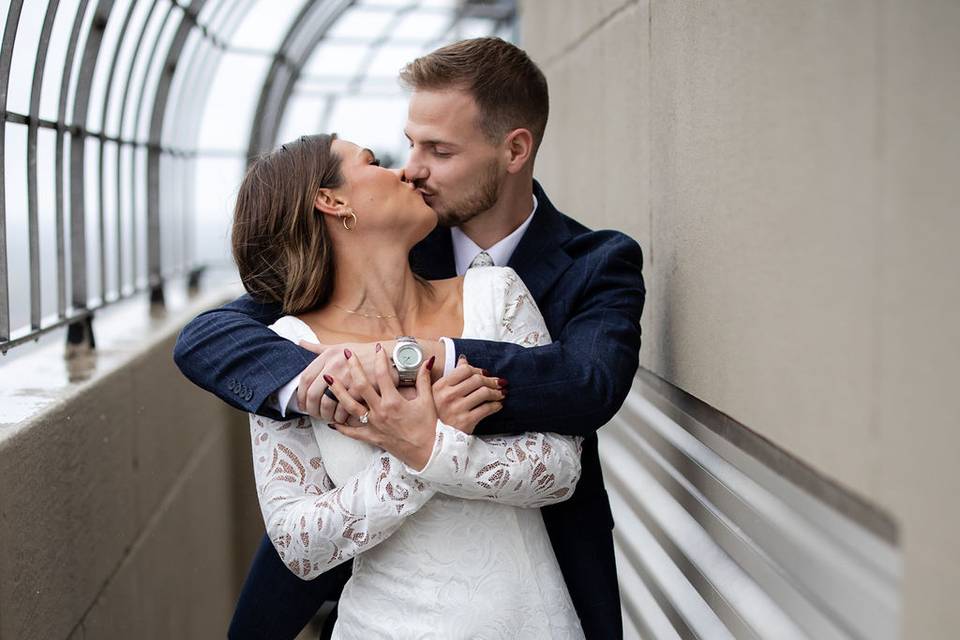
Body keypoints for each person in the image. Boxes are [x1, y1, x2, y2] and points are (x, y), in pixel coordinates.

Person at [174, 37, 645, 639]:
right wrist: (319, 379)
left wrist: (424, 366)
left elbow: (589, 383)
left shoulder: (594, 262)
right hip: (367, 597)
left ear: (514, 150)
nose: (411, 167)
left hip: (536, 585)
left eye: (439, 150)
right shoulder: (382, 244)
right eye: (410, 142)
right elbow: (210, 336)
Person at [237, 132, 586, 638]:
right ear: (331, 201)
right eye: (373, 162)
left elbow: (559, 469)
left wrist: (426, 445)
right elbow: (298, 545)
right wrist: (417, 455)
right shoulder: (290, 352)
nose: (405, 172)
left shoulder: (497, 292)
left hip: (532, 623)